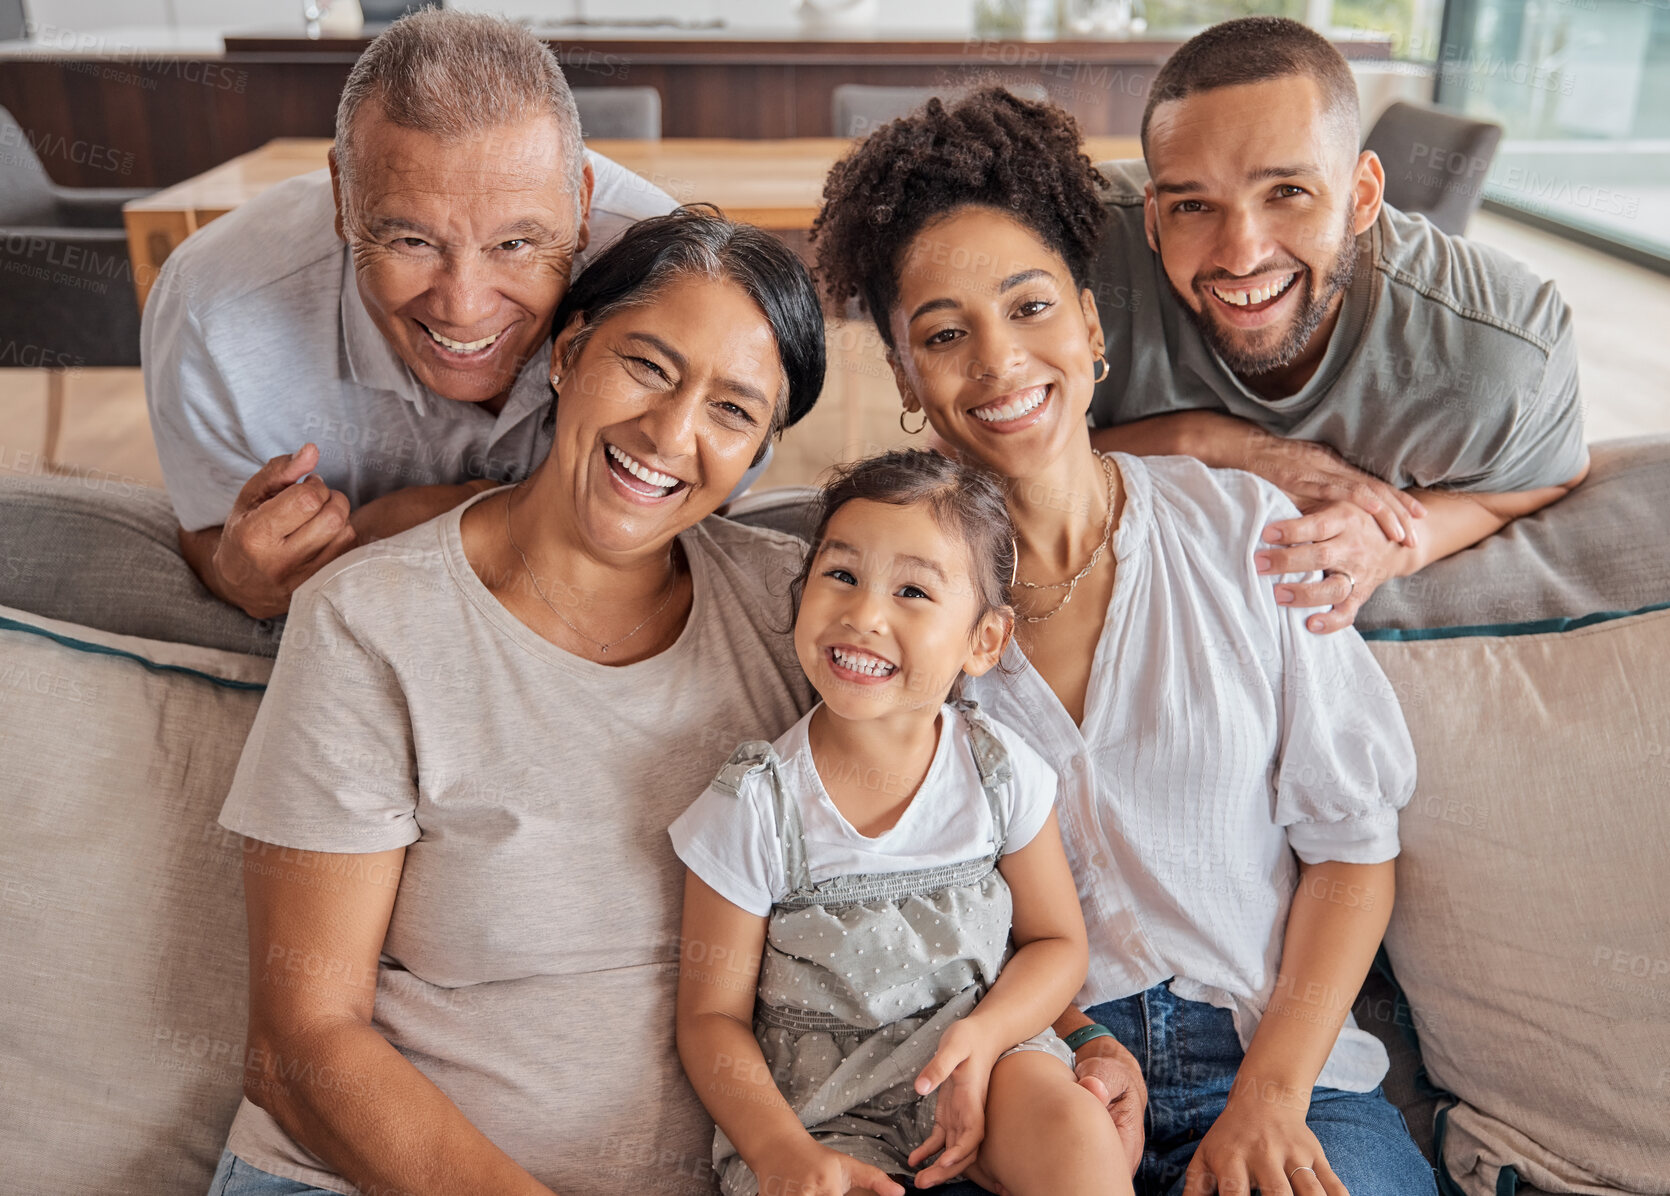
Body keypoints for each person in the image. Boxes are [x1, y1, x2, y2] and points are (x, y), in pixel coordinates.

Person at [813, 89, 1434, 1195]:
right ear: (907, 378)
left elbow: (1350, 848)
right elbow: (888, 889)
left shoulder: (1244, 533)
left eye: (1029, 306)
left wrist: (1265, 1102)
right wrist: (1060, 1041)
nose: (998, 362)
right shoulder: (872, 606)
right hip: (1027, 1085)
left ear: (1091, 328)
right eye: (944, 334)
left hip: (1276, 1064)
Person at [206, 208, 824, 1195]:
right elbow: (299, 1043)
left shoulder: (796, 610)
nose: (670, 433)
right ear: (569, 353)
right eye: (648, 366)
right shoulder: (372, 620)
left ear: (759, 450)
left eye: (733, 410)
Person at [673, 450, 1129, 1196]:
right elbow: (708, 1019)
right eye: (841, 575)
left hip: (983, 1064)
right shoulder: (756, 801)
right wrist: (781, 1151)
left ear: (984, 641)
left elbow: (1057, 944)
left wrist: (983, 1040)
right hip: (820, 1114)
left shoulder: (997, 769)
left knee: (1077, 1135)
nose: (864, 614)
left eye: (913, 591)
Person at [143, 9, 678, 619]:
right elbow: (207, 527)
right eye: (412, 243)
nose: (463, 307)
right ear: (343, 196)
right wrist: (240, 579)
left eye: (515, 244)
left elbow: (714, 496)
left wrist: (432, 523)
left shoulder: (673, 283)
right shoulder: (210, 310)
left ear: (581, 201)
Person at [1083, 17, 1589, 633]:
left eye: (1288, 191)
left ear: (1363, 195)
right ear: (1154, 219)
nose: (1240, 256)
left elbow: (1542, 483)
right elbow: (970, 458)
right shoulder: (1070, 264)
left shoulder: (1501, 351)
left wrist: (1401, 544)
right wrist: (1204, 444)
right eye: (1193, 206)